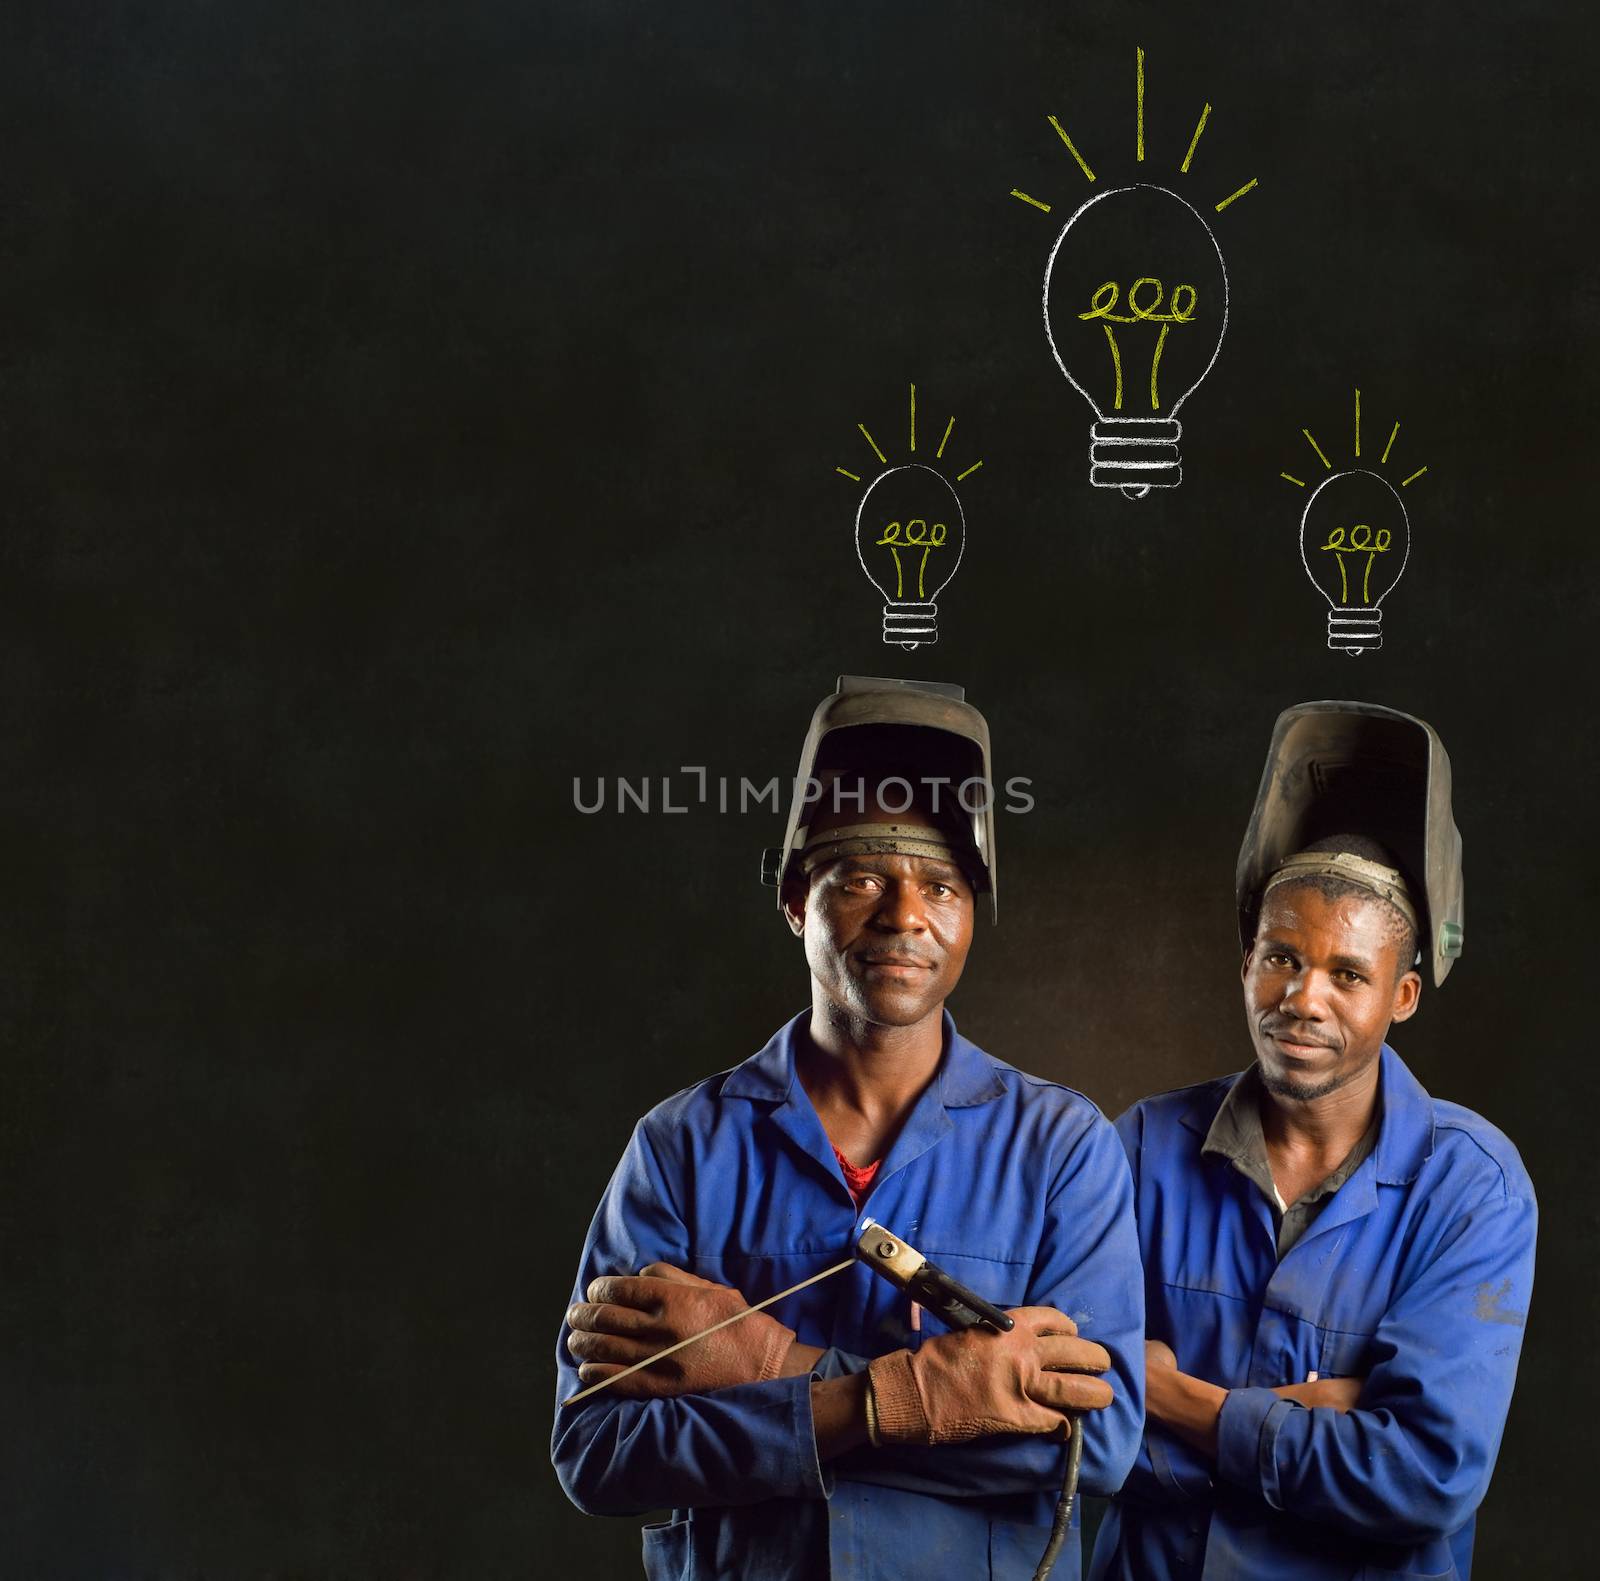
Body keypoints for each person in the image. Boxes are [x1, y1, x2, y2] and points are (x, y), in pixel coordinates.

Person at [552, 675, 1144, 1580]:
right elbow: (598, 1449)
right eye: (863, 876)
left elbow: (1094, 1449)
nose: (905, 914)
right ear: (796, 899)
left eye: (941, 884)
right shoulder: (680, 1149)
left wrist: (763, 1362)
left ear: (973, 913)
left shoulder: (1063, 1150)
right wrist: (895, 1398)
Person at [1090, 701, 1536, 1581]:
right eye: (1282, 958)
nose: (1302, 997)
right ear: (1246, 963)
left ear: (1402, 997)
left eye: (1347, 973)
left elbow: (1424, 1474)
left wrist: (1183, 1400)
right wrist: (1312, 1422)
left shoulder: (1471, 1187)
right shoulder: (1144, 1145)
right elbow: (1078, 1419)